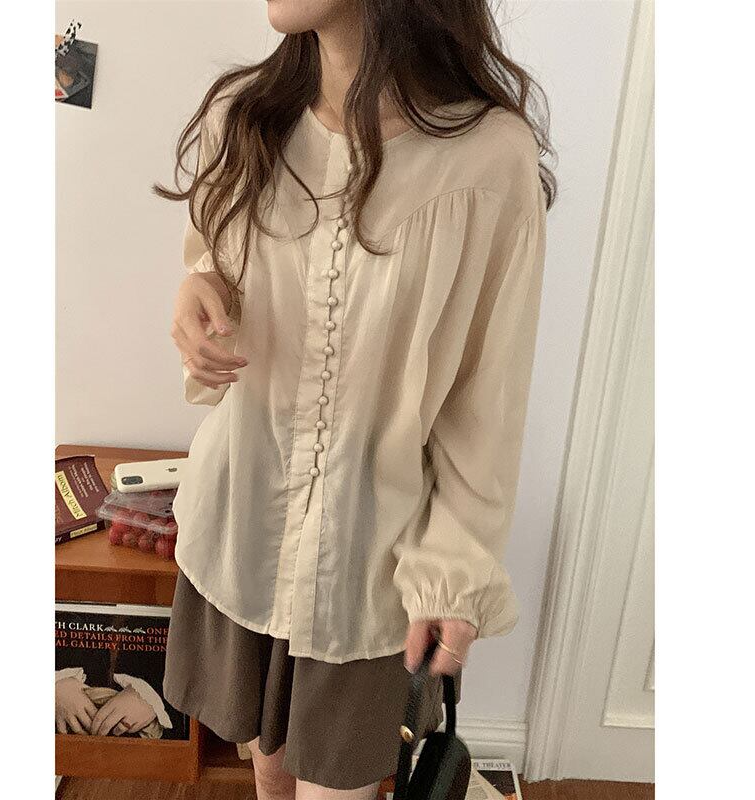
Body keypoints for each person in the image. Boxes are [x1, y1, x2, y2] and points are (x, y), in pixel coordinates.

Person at [156, 1, 556, 797]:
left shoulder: (489, 159)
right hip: (241, 526)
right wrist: (198, 293)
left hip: (369, 567)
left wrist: (455, 573)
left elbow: (487, 400)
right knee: (266, 767)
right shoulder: (246, 114)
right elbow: (213, 261)